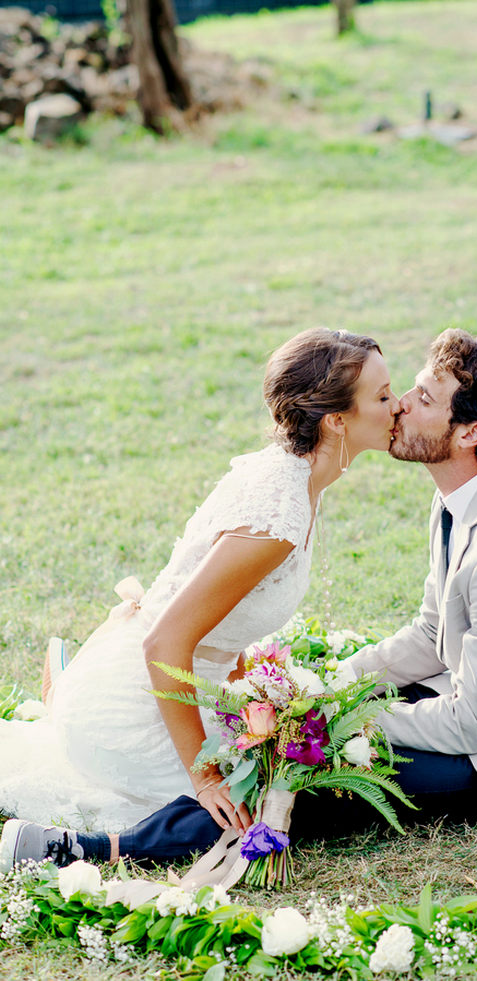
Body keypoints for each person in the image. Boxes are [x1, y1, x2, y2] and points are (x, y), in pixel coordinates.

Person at [0, 328, 477, 872]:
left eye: (420, 398)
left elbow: (476, 723)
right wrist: (333, 687)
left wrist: (323, 723)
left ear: (469, 431)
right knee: (294, 742)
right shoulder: (460, 493)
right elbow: (428, 633)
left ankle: (98, 848)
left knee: (307, 774)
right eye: (397, 392)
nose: (402, 407)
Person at [0, 328, 399, 843]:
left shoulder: (292, 476)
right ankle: (76, 705)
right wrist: (204, 776)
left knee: (295, 768)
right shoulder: (277, 516)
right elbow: (165, 642)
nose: (400, 405)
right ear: (337, 419)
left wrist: (248, 703)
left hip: (177, 678)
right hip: (131, 708)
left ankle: (71, 685)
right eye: (384, 396)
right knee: (273, 801)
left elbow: (225, 617)